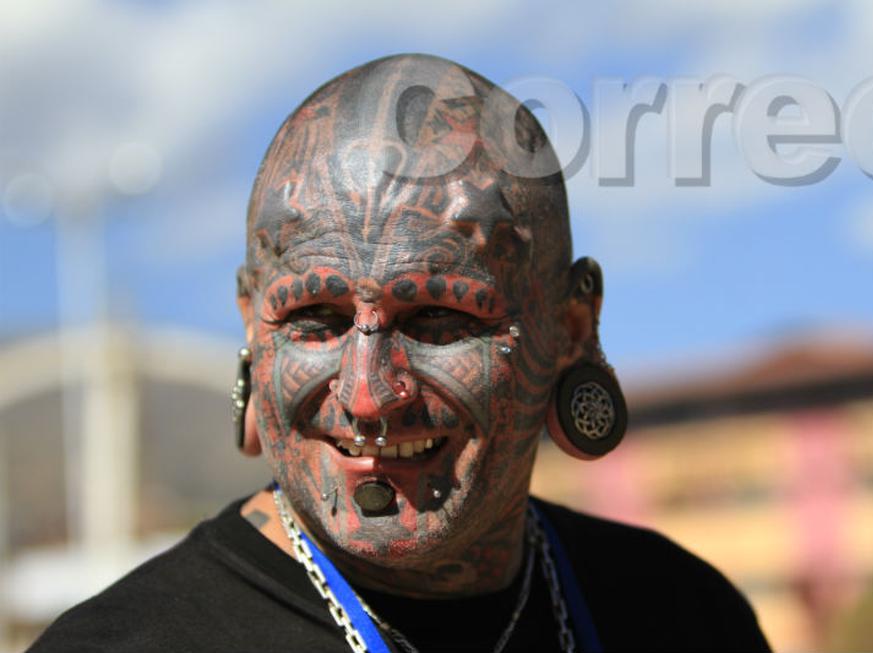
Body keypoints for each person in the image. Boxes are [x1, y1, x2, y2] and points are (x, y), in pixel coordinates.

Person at [29, 54, 770, 652]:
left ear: (571, 326)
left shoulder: (682, 615)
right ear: (253, 325)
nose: (367, 395)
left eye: (439, 317)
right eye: (314, 318)